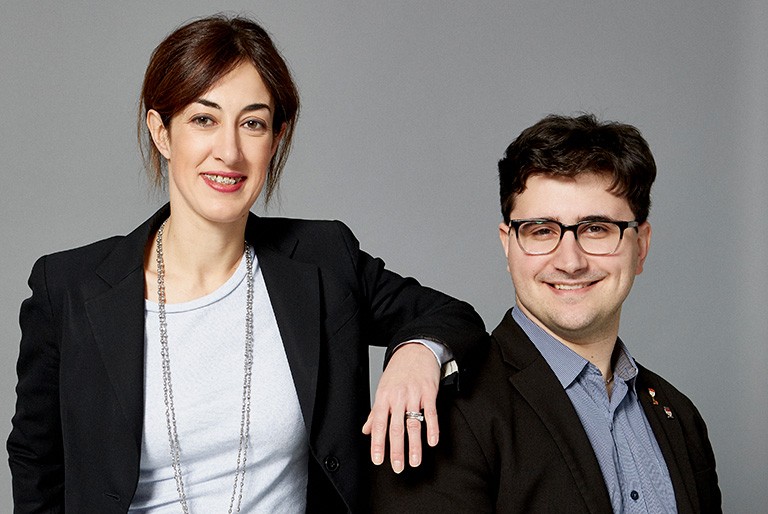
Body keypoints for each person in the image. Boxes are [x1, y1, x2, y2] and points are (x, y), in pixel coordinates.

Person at [6, 15, 486, 513]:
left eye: (252, 123)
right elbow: (37, 463)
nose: (229, 152)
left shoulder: (323, 259)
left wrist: (416, 352)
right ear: (162, 132)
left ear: (275, 139)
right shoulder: (69, 288)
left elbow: (456, 318)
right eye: (203, 119)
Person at [373, 114, 721, 512]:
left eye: (596, 228)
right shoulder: (441, 414)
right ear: (509, 246)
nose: (569, 262)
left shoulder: (680, 417)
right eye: (542, 231)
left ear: (640, 246)